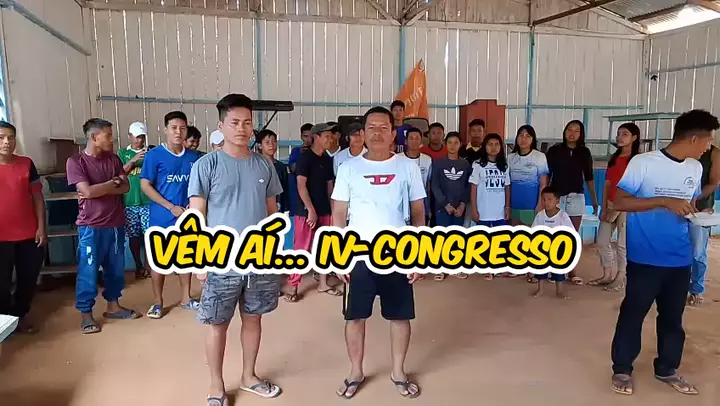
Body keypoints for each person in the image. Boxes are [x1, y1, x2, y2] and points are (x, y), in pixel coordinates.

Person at [609, 109, 719, 397]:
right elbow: (619, 201)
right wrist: (662, 201)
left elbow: (685, 205)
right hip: (645, 256)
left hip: (679, 258)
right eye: (708, 141)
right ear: (693, 138)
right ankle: (622, 368)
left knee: (672, 318)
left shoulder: (694, 168)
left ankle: (667, 368)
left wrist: (698, 212)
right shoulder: (644, 163)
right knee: (633, 313)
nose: (709, 147)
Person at [189, 93, 284, 405]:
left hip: (258, 260)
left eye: (247, 122)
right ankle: (216, 385)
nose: (242, 128)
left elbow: (271, 213)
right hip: (220, 261)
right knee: (217, 324)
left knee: (253, 319)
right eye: (234, 122)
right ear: (221, 126)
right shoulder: (206, 165)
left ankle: (248, 376)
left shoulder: (264, 165)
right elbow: (196, 216)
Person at [332, 106, 425, 400]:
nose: (377, 133)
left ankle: (398, 371)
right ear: (362, 133)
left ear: (393, 133)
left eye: (384, 127)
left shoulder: (407, 167)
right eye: (371, 127)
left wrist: (419, 255)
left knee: (400, 316)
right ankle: (355, 371)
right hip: (359, 254)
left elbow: (419, 212)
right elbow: (339, 214)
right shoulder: (348, 168)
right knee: (354, 317)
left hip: (397, 253)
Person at [66, 119, 140, 334]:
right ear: (93, 137)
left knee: (115, 269)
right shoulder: (76, 162)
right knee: (88, 271)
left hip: (115, 224)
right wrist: (111, 183)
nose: (111, 139)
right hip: (91, 226)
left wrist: (101, 188)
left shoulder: (114, 159)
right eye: (108, 135)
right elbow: (87, 192)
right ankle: (86, 313)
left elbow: (125, 187)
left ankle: (113, 307)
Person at [140, 111, 201, 319]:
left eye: (182, 128)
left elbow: (198, 186)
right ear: (165, 130)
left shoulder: (194, 158)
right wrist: (170, 206)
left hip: (186, 217)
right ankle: (157, 302)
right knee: (159, 261)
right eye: (174, 128)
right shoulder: (154, 156)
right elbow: (145, 185)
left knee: (186, 257)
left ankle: (186, 298)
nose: (178, 132)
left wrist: (193, 204)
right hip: (161, 217)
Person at [0, 121, 46, 334]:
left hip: (28, 234)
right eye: (1, 138)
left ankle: (19, 316)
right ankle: (4, 321)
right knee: (1, 284)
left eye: (10, 137)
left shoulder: (26, 164)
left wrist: (41, 228)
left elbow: (37, 197)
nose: (6, 142)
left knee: (28, 280)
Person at [287, 123, 338, 302]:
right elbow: (301, 186)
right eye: (326, 136)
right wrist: (310, 210)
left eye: (331, 136)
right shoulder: (305, 158)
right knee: (301, 249)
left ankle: (323, 284)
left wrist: (333, 211)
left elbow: (330, 188)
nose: (330, 139)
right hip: (305, 212)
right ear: (316, 137)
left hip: (324, 210)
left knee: (324, 247)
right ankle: (293, 287)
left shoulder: (327, 159)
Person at [546, 120, 598, 285]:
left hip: (576, 198)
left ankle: (571, 271)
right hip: (557, 199)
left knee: (572, 236)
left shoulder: (584, 152)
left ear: (581, 134)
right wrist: (545, 198)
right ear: (565, 131)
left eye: (577, 131)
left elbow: (589, 177)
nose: (572, 133)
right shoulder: (554, 150)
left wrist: (594, 200)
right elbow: (547, 175)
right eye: (570, 129)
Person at [588, 123, 640, 292]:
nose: (619, 137)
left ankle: (620, 277)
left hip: (627, 207)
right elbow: (607, 184)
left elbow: (635, 188)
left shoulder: (637, 160)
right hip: (610, 204)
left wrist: (616, 210)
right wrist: (604, 207)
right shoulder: (614, 158)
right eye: (618, 133)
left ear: (634, 138)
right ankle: (607, 274)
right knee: (602, 240)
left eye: (625, 134)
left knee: (622, 245)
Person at [469, 133, 511, 281]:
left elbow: (507, 187)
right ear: (485, 147)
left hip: (499, 209)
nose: (493, 147)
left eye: (496, 144)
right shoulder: (478, 164)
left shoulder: (504, 166)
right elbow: (473, 188)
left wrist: (507, 207)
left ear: (501, 147)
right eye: (490, 144)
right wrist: (474, 209)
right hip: (483, 209)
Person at [431, 132, 470, 281]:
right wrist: (445, 204)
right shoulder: (438, 163)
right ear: (445, 144)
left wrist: (462, 204)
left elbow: (468, 186)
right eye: (449, 142)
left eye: (456, 142)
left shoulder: (465, 164)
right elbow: (434, 186)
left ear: (461, 144)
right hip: (442, 207)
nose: (453, 146)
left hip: (459, 207)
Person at [688, 139, 720, 306]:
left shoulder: (714, 154)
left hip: (701, 210)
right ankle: (678, 287)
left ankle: (696, 289)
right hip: (678, 207)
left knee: (697, 253)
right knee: (677, 250)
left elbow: (714, 182)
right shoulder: (684, 150)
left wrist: (695, 197)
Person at [118, 121, 152, 279]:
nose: (140, 140)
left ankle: (149, 265)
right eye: (137, 137)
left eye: (142, 136)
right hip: (130, 203)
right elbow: (119, 174)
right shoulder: (122, 154)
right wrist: (133, 160)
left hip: (148, 202)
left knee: (149, 235)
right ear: (129, 136)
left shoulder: (150, 153)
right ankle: (138, 266)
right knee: (134, 236)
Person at [531, 186, 573, 299]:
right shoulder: (540, 215)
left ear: (557, 201)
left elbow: (570, 232)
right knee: (541, 270)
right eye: (543, 199)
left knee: (558, 271)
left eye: (550, 199)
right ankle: (540, 289)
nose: (546, 202)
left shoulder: (563, 216)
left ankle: (559, 291)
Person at [508, 125, 548, 226]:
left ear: (533, 139)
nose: (524, 139)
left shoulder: (540, 157)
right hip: (513, 206)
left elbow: (543, 184)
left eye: (528, 136)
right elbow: (507, 184)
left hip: (531, 207)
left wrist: (540, 204)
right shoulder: (510, 158)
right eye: (521, 135)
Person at [256, 129, 289, 213]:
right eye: (267, 142)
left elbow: (285, 190)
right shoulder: (256, 166)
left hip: (278, 208)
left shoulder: (281, 167)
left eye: (274, 141)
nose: (271, 145)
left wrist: (286, 210)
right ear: (260, 145)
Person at [404, 128, 432, 223]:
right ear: (406, 141)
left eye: (417, 138)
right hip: (403, 201)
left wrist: (428, 208)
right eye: (411, 138)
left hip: (421, 200)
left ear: (421, 141)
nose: (414, 141)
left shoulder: (427, 159)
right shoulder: (398, 158)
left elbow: (428, 185)